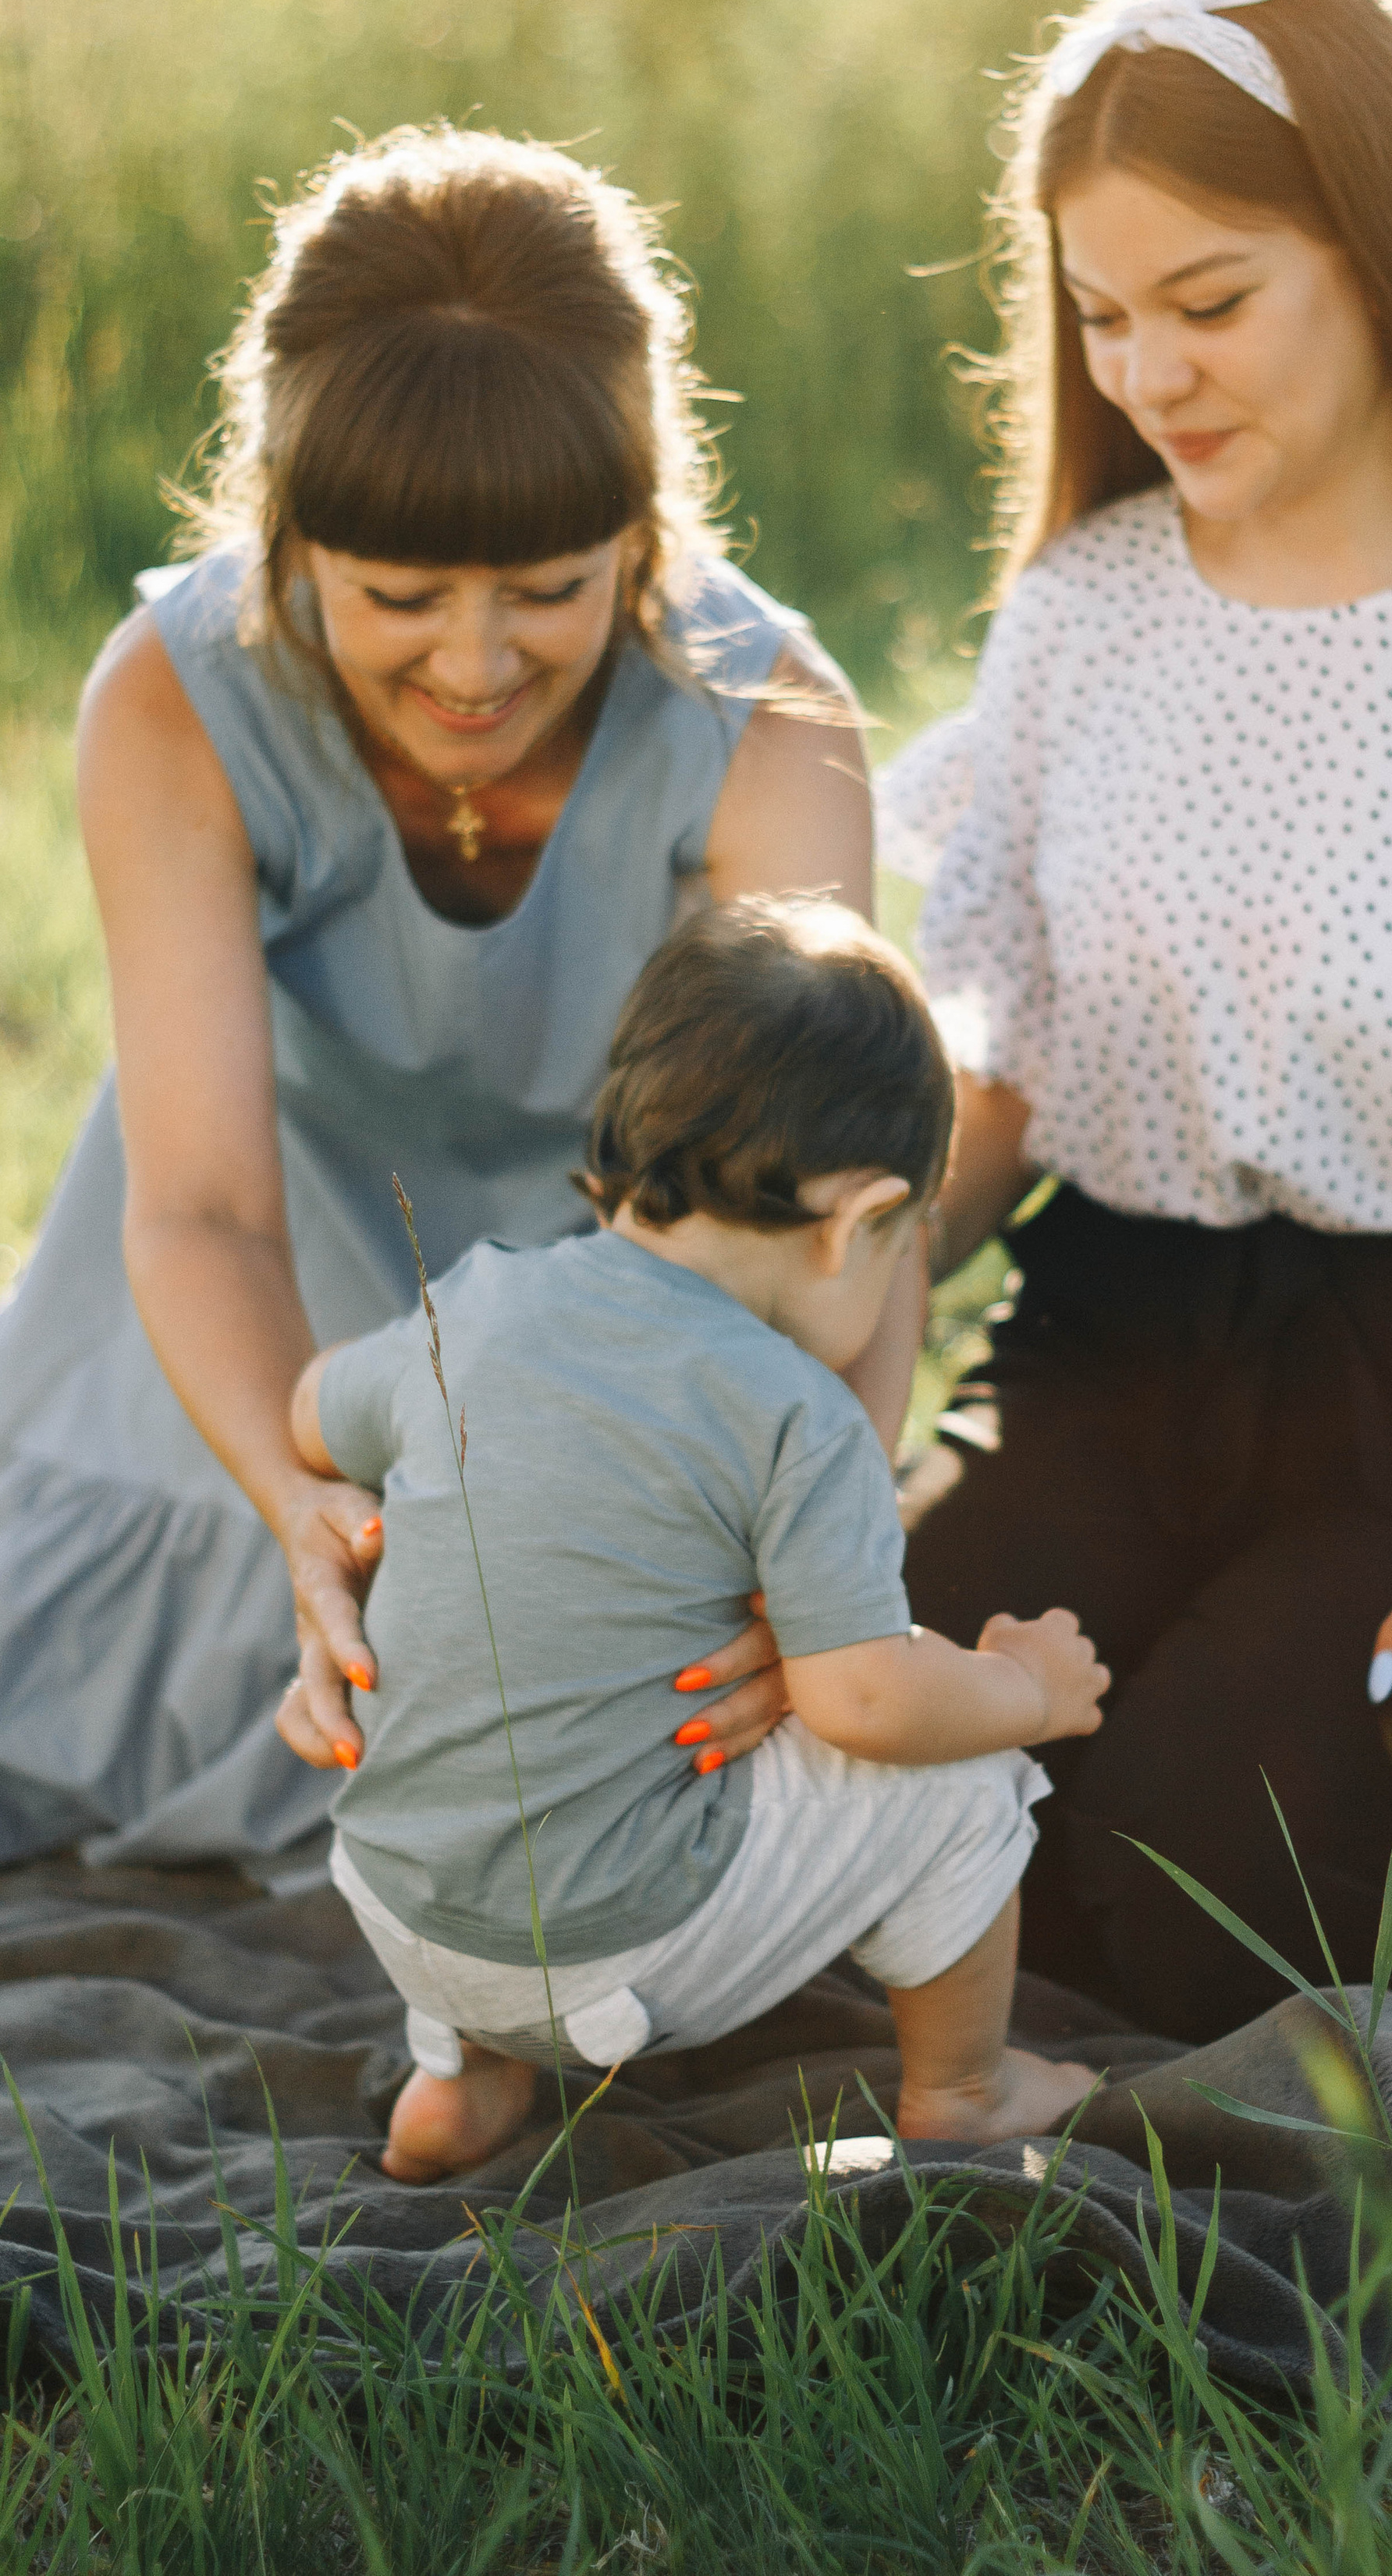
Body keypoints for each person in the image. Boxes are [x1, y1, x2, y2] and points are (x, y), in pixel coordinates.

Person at [701, 0, 1392, 2044]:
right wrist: (777, 1318)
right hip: (1115, 1356)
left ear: (1387, 254)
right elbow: (1011, 1086)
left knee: (1201, 1899)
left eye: (1210, 303)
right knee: (820, 1768)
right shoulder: (1088, 617)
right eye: (1102, 316)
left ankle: (1337, 1748)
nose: (1146, 373)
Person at [0, 127, 911, 1884]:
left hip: (635, 1307)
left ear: (642, 525)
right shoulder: (176, 698)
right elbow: (195, 1204)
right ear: (285, 533)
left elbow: (838, 1216)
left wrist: (816, 1559)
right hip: (271, 1290)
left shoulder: (763, 715)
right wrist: (303, 1501)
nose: (473, 668)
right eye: (399, 599)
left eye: (549, 592)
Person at [287, 897, 1108, 2177]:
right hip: (608, 1957)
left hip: (392, 1901)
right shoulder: (800, 1417)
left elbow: (309, 1411)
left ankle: (460, 2084)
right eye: (898, 1249)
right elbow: (866, 1702)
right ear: (857, 1222)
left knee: (514, 1735)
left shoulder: (483, 1302)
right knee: (966, 1780)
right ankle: (967, 2087)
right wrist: (1026, 1689)